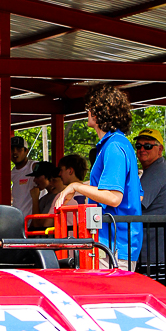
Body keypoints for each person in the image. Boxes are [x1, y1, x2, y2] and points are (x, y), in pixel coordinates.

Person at [55, 84, 143, 270]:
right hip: (115, 242)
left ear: (100, 113)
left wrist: (76, 187)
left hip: (114, 245)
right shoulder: (116, 144)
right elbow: (137, 195)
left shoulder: (114, 147)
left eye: (91, 107)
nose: (87, 111)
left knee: (109, 297)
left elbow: (113, 197)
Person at [135, 127, 166, 268]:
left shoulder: (157, 171)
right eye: (139, 146)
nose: (142, 149)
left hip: (158, 254)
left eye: (148, 146)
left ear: (160, 149)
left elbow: (136, 203)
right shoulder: (160, 169)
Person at [11, 136, 38, 217]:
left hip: (33, 222)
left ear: (26, 151)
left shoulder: (33, 166)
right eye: (12, 149)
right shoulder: (12, 172)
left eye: (19, 149)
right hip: (18, 222)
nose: (15, 152)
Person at [28, 162, 60, 230]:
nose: (34, 180)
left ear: (49, 177)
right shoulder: (44, 198)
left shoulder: (57, 197)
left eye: (38, 176)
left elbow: (38, 225)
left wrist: (35, 199)